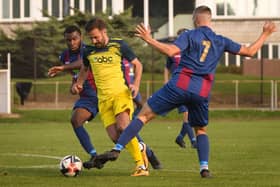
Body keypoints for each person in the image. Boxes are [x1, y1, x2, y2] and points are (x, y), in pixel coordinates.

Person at [94, 5, 276, 178]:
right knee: (201, 129)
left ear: (195, 20)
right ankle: (204, 168)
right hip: (202, 91)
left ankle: (117, 149)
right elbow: (250, 51)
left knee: (143, 116)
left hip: (180, 85)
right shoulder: (221, 40)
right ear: (209, 21)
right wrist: (265, 33)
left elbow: (171, 51)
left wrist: (149, 39)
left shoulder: (190, 35)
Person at [71, 17, 159, 176]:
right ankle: (141, 148)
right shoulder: (88, 51)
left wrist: (136, 85)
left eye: (96, 36)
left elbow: (138, 64)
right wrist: (80, 83)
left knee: (123, 127)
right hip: (103, 100)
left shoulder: (119, 45)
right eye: (91, 37)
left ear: (104, 32)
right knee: (115, 137)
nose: (94, 40)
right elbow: (85, 69)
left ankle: (141, 166)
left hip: (121, 94)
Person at [48, 25, 103, 168]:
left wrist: (63, 68)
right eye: (68, 40)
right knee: (76, 119)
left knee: (121, 129)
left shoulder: (88, 50)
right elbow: (75, 75)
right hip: (87, 97)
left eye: (75, 39)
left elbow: (82, 63)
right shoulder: (64, 56)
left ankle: (147, 153)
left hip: (103, 93)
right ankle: (94, 156)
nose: (72, 42)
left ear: (81, 38)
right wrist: (74, 87)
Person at [123, 58, 162, 169]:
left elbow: (126, 81)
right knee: (127, 130)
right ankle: (150, 156)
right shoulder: (125, 59)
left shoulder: (120, 61)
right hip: (130, 96)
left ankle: (148, 156)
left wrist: (138, 102)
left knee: (127, 129)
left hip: (128, 96)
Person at [164, 28, 197, 149]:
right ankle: (193, 141)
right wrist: (166, 81)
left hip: (190, 85)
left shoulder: (190, 51)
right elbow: (167, 67)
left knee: (190, 115)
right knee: (186, 113)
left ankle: (180, 137)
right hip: (176, 86)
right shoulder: (173, 50)